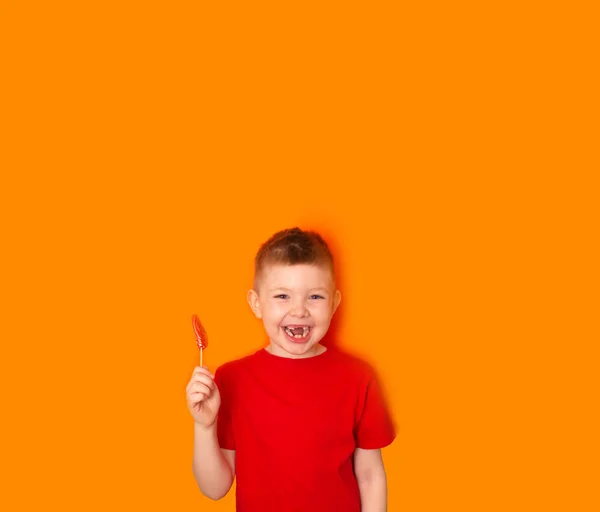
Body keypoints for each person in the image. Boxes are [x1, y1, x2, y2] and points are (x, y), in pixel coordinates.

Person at [186, 227, 396, 511]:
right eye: (282, 296)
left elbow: (370, 477)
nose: (299, 310)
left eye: (315, 297)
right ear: (256, 303)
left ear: (334, 303)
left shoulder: (359, 378)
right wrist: (204, 426)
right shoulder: (231, 379)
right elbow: (215, 489)